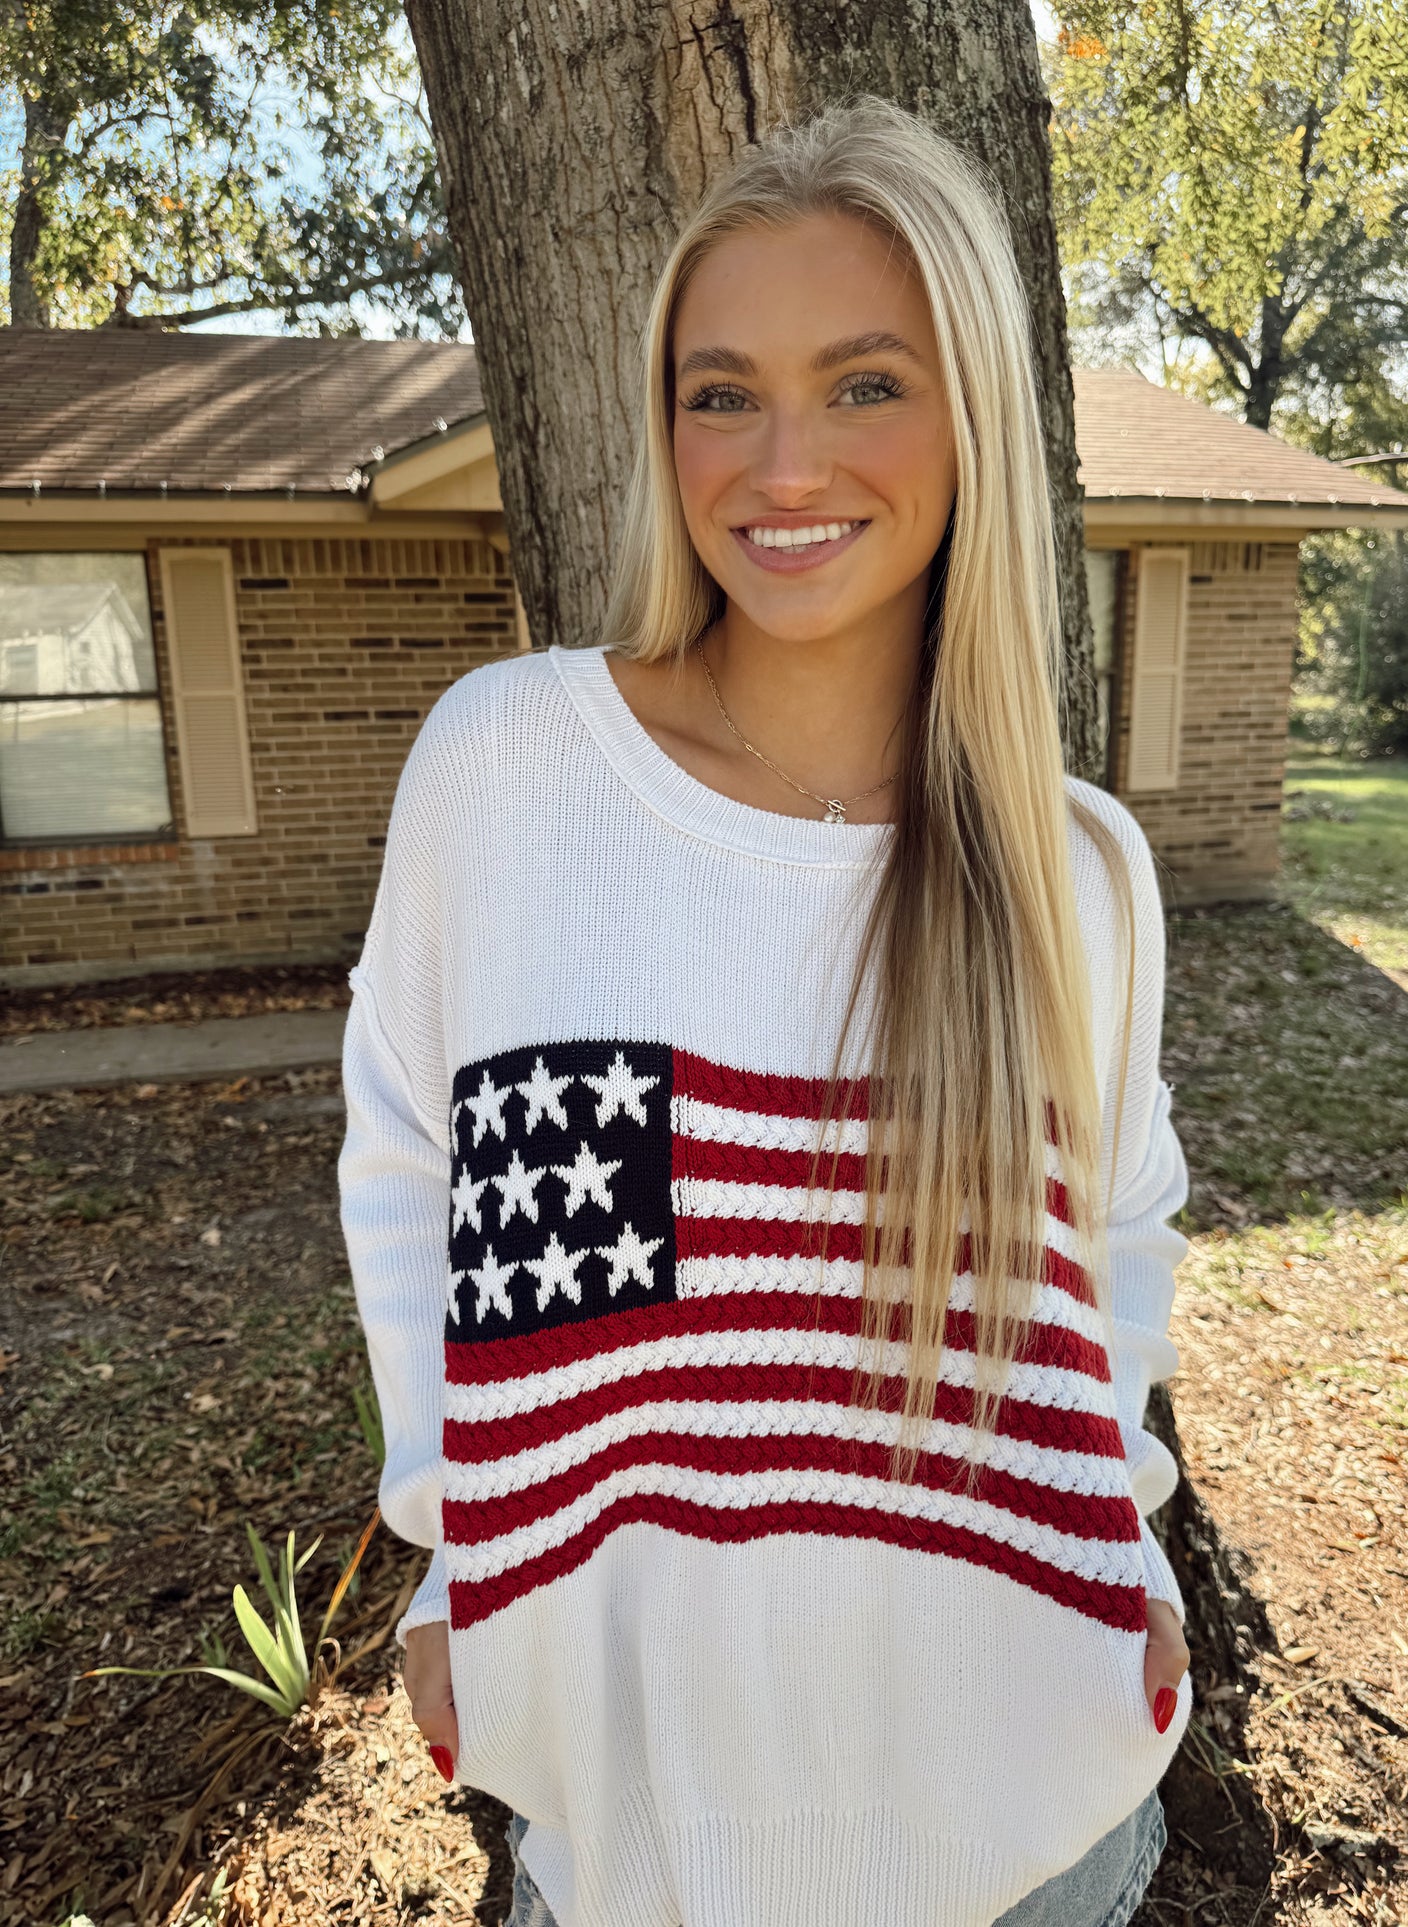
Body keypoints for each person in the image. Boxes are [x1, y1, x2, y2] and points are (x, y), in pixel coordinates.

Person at [338, 93, 1193, 1927]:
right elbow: (414, 1177)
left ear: (973, 415)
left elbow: (1122, 1238)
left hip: (1027, 1832)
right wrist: (443, 1564)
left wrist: (1134, 1533)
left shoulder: (1081, 871)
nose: (781, 462)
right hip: (633, 1838)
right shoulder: (508, 774)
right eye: (719, 391)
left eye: (865, 382)